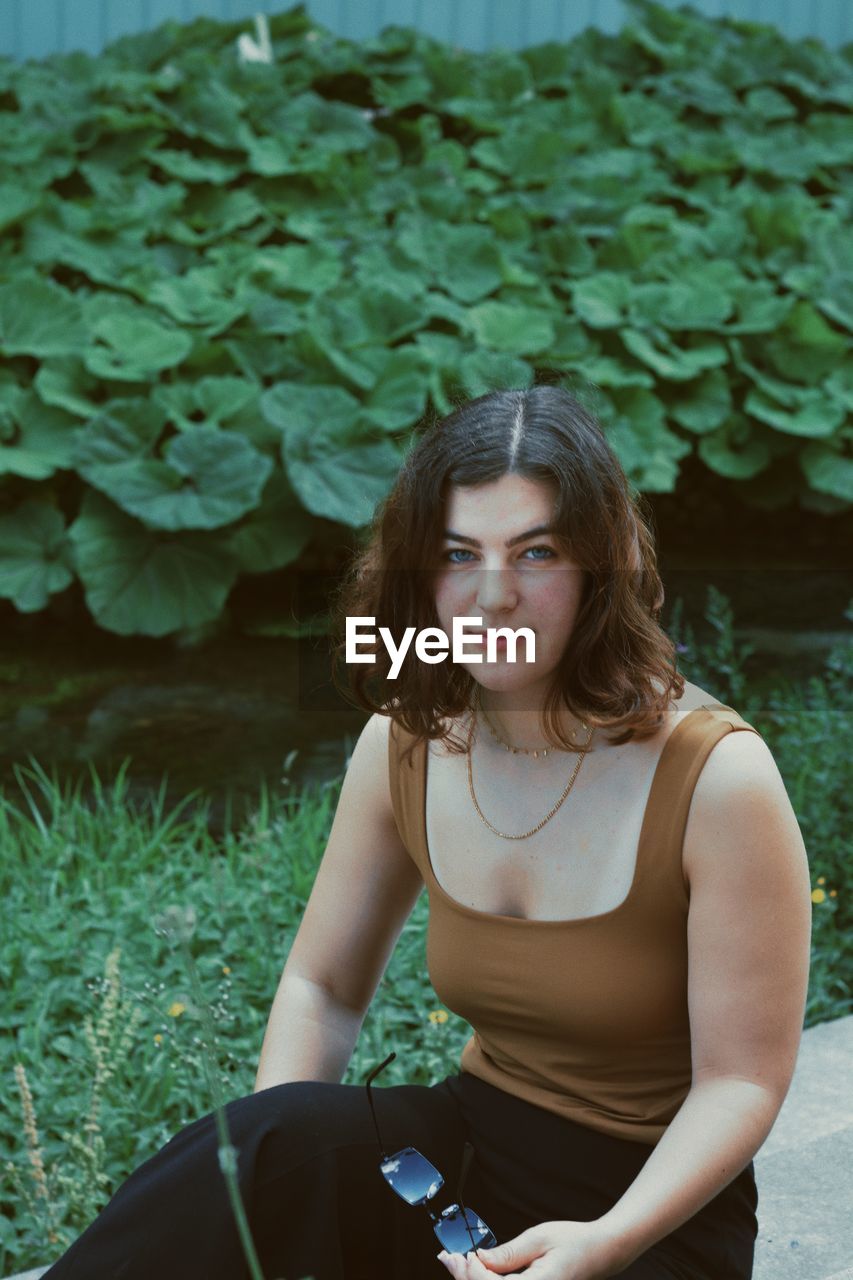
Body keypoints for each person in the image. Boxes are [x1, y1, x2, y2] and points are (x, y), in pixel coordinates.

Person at [43, 386, 812, 1280]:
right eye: (458, 553)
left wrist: (602, 1244)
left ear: (600, 567)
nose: (492, 597)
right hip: (464, 1163)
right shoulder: (407, 737)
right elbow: (322, 988)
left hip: (649, 1220)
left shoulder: (717, 777)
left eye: (537, 553)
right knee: (267, 1142)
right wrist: (270, 1205)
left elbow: (741, 1083)